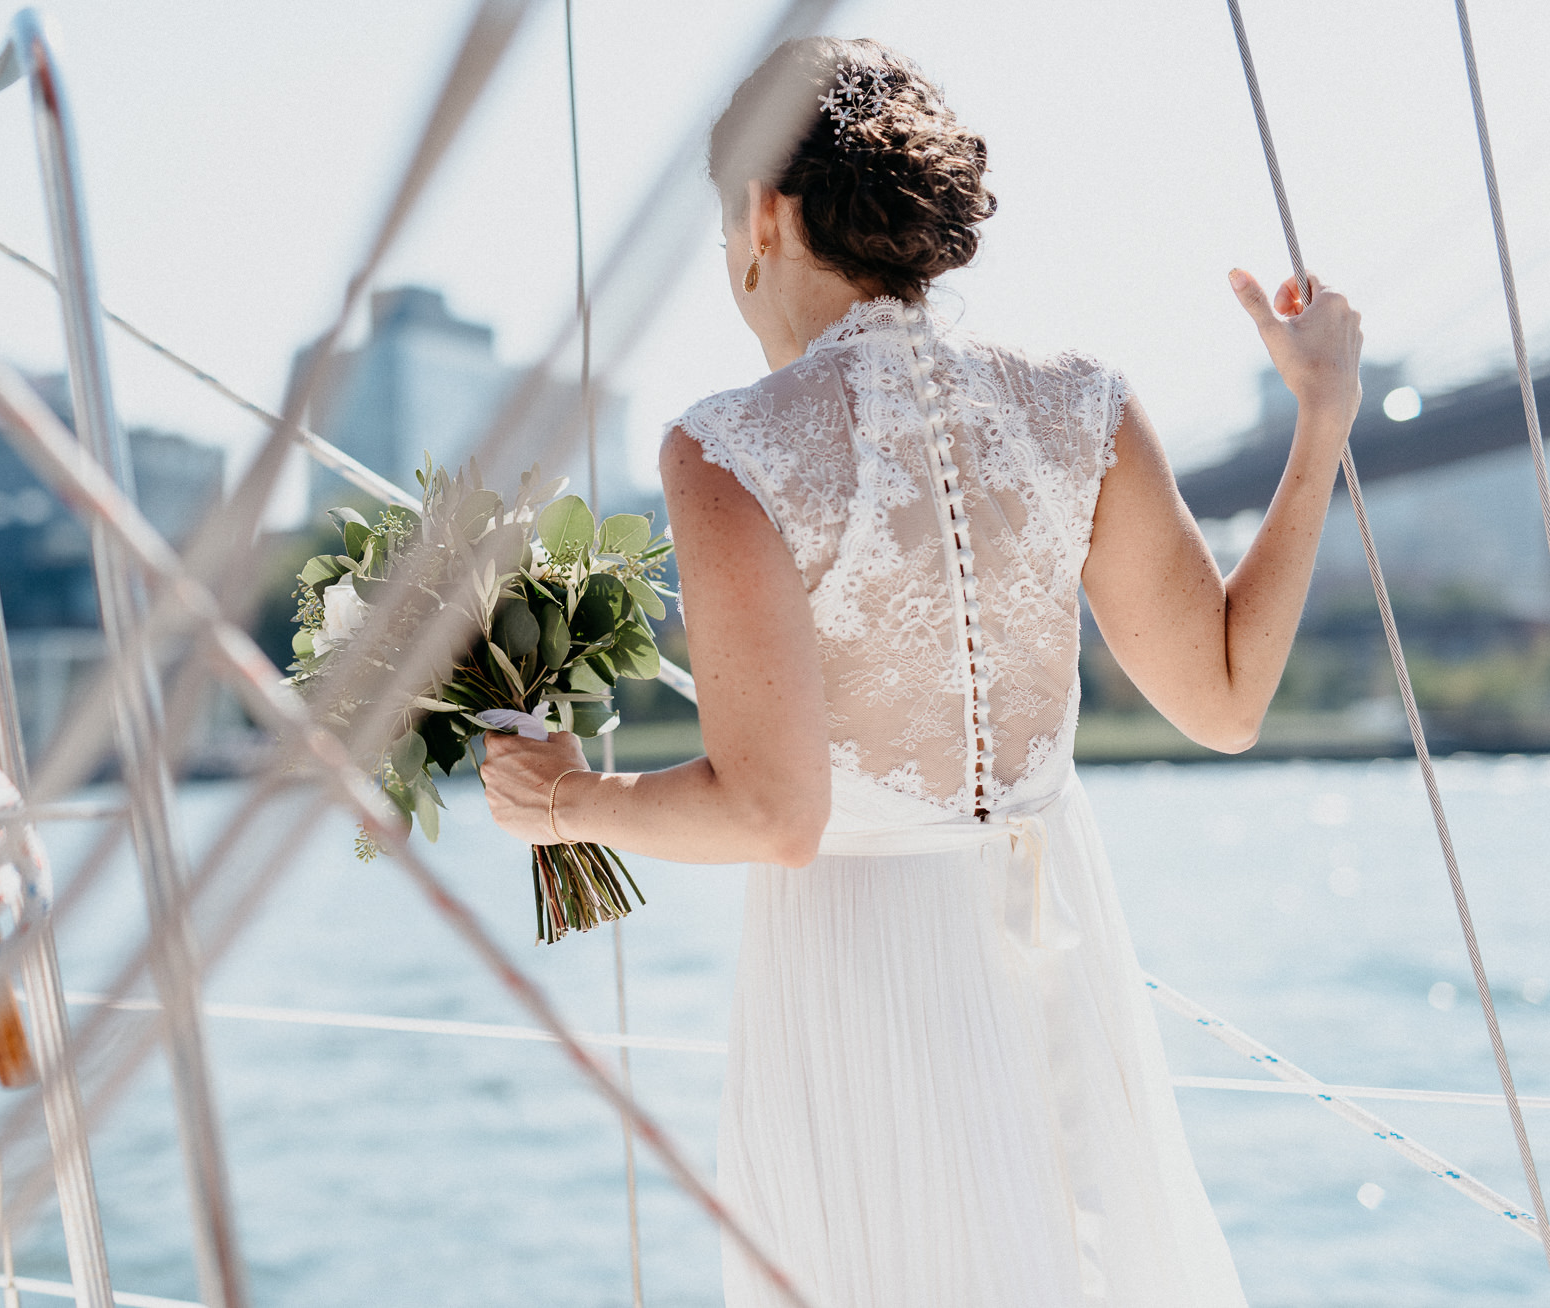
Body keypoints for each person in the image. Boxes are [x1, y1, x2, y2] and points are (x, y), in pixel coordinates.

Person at [480, 35, 1360, 1308]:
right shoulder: (1080, 404)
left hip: (861, 982)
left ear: (762, 214)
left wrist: (560, 799)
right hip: (1059, 943)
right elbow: (1224, 705)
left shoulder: (727, 447)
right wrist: (1320, 416)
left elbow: (774, 816)